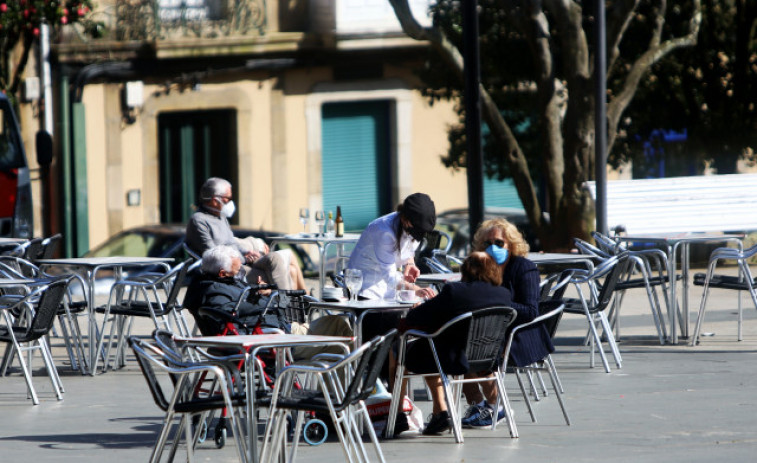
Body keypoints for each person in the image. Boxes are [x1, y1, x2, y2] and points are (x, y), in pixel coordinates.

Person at [392, 252, 513, 435]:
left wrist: (422, 308)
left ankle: (398, 415)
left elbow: (411, 320)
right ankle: (439, 413)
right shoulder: (504, 295)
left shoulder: (455, 291)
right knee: (433, 345)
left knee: (398, 349)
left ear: (465, 270)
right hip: (487, 360)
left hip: (453, 359)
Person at [459, 217, 554, 428]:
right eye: (487, 243)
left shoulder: (524, 268)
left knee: (473, 348)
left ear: (511, 244)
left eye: (499, 243)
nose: (493, 247)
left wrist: (497, 306)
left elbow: (530, 311)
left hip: (519, 334)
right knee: (453, 345)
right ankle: (479, 405)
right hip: (486, 331)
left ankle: (496, 405)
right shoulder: (480, 266)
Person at [184, 245, 352, 350]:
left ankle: (335, 394)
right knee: (339, 325)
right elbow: (230, 311)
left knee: (335, 332)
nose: (241, 273)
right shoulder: (215, 292)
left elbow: (239, 306)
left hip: (273, 329)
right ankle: (358, 390)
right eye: (237, 270)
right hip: (274, 337)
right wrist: (269, 298)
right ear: (222, 273)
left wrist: (260, 294)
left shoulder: (211, 284)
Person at [185, 177, 305, 290]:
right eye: (228, 199)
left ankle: (301, 302)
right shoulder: (199, 220)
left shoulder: (221, 217)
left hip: (241, 261)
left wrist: (247, 252)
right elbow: (214, 255)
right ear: (215, 200)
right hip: (231, 269)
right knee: (285, 267)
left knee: (282, 263)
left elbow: (231, 242)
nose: (231, 203)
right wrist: (244, 259)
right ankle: (288, 306)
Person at [347, 192, 438, 301]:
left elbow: (409, 246)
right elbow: (390, 278)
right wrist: (416, 289)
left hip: (390, 286)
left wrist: (410, 263)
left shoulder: (412, 226)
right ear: (405, 220)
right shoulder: (384, 232)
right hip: (365, 287)